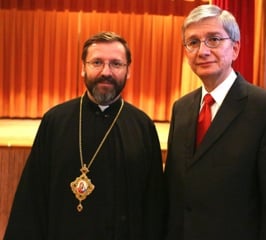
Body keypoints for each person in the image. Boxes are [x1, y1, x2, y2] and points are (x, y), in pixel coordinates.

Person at [4, 31, 164, 240]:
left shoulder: (142, 127)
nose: (106, 71)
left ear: (128, 71)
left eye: (116, 64)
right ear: (83, 68)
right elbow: (32, 198)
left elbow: (153, 207)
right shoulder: (55, 121)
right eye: (96, 62)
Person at [164, 4, 266, 240]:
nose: (202, 51)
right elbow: (175, 193)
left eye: (213, 39)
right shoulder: (181, 108)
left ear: (235, 48)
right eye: (193, 42)